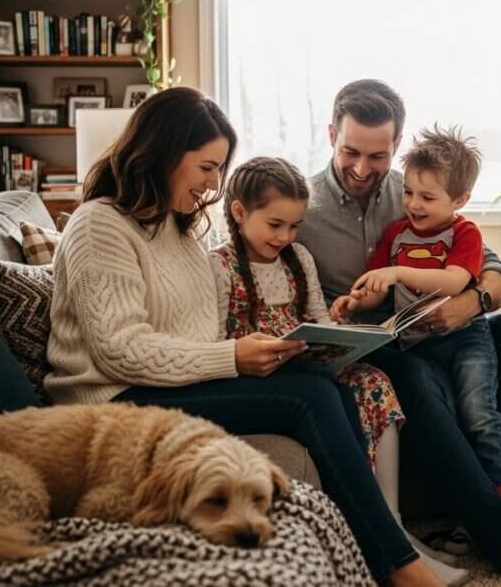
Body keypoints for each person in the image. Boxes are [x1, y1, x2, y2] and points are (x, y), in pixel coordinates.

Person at [44, 86, 443, 587]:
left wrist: (276, 353)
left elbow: (202, 334)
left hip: (172, 386)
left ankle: (375, 542)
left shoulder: (178, 230)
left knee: (332, 386)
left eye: (219, 169)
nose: (214, 184)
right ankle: (398, 567)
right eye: (207, 168)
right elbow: (120, 349)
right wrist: (234, 357)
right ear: (165, 152)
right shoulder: (99, 225)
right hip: (115, 399)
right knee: (311, 398)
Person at [298, 79, 501, 587]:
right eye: (351, 151)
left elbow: (495, 270)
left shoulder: (418, 189)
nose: (362, 168)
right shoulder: (303, 209)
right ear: (330, 134)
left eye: (377, 155)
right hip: (380, 352)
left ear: (395, 145)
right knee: (409, 367)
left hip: (445, 331)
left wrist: (469, 304)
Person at [210, 156, 467, 584]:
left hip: (306, 362)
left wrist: (339, 342)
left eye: (293, 227)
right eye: (275, 225)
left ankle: (392, 519)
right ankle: (379, 538)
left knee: (375, 381)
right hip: (259, 372)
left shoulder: (298, 258)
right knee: (328, 395)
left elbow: (318, 318)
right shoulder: (219, 266)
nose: (285, 237)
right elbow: (217, 338)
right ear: (239, 212)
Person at [334, 125, 501, 513]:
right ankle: (462, 500)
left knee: (478, 409)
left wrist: (399, 273)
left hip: (466, 339)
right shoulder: (397, 235)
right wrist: (353, 304)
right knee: (444, 414)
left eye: (427, 197)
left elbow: (456, 282)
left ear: (460, 199)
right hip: (417, 344)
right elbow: (376, 287)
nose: (414, 204)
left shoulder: (463, 233)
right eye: (409, 193)